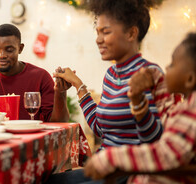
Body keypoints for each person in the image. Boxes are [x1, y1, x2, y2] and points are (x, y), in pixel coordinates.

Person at [48, 0, 178, 183]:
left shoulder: (151, 74)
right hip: (105, 164)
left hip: (130, 171)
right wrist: (79, 85)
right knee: (48, 180)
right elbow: (101, 128)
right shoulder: (111, 74)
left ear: (131, 33)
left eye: (105, 32)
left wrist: (140, 104)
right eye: (97, 32)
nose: (98, 39)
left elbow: (157, 140)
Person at [84, 32, 196, 184]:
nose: (166, 69)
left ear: (189, 79)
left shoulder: (190, 113)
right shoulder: (184, 107)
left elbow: (165, 154)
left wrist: (111, 158)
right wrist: (137, 99)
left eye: (172, 64)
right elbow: (163, 129)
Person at [0, 23, 69, 122]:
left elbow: (58, 123)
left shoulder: (40, 77)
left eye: (9, 50)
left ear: (20, 48)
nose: (1, 55)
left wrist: (61, 93)